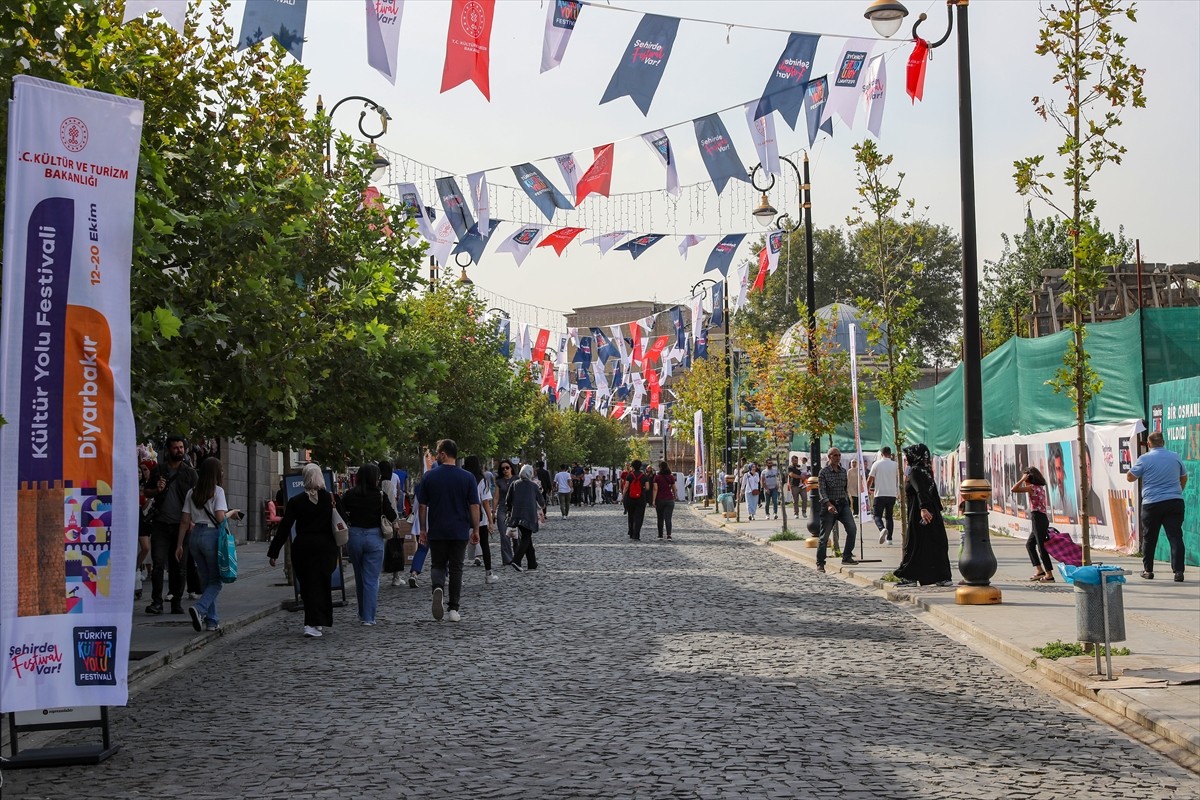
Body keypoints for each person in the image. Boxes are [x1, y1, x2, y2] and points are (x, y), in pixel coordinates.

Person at [269, 463, 339, 638]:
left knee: (308, 585)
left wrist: (273, 551)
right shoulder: (331, 498)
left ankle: (312, 623)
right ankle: (317, 622)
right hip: (325, 547)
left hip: (303, 547)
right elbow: (342, 521)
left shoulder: (296, 501)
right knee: (322, 584)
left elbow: (285, 527)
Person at [416, 439, 480, 622]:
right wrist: (475, 529)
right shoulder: (468, 477)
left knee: (437, 564)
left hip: (437, 529)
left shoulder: (429, 476)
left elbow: (422, 506)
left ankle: (438, 587)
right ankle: (454, 609)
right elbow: (474, 506)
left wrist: (422, 529)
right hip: (459, 530)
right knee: (456, 568)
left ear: (443, 454)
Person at [175, 456, 242, 632]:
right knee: (217, 581)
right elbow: (220, 518)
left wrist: (179, 545)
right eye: (220, 470)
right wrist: (232, 512)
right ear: (215, 473)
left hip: (195, 536)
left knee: (207, 580)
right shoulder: (217, 491)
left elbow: (184, 520)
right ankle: (200, 609)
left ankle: (211, 621)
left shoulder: (192, 492)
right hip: (212, 536)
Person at [143, 435, 198, 616]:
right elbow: (147, 492)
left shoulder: (189, 473)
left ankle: (176, 601)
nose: (179, 451)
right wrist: (156, 489)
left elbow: (198, 499)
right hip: (161, 523)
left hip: (182, 526)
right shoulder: (159, 470)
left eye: (181, 447)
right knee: (158, 562)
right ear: (168, 450)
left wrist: (193, 520)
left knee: (179, 566)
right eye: (176, 448)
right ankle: (156, 602)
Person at [338, 463, 397, 625]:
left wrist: (349, 521)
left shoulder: (350, 494)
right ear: (374, 478)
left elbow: (339, 510)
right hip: (374, 537)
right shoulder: (380, 495)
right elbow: (391, 514)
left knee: (360, 577)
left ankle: (362, 612)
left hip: (355, 536)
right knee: (371, 579)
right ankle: (368, 618)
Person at [1128, 431, 1188, 582]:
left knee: (1149, 537)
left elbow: (1130, 477)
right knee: (1175, 536)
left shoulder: (1145, 458)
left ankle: (1148, 570)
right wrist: (1178, 490)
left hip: (1152, 503)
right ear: (1163, 442)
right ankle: (1178, 571)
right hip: (1174, 501)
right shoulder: (1175, 456)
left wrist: (1133, 470)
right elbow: (1184, 476)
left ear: (1149, 444)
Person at [893, 444, 953, 587]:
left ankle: (910, 577)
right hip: (933, 514)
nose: (907, 460)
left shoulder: (915, 471)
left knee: (915, 544)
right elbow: (933, 492)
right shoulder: (927, 470)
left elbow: (921, 491)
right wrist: (935, 509)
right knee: (934, 543)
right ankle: (942, 577)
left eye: (908, 457)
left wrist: (923, 508)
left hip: (919, 514)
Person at [816, 448, 859, 572]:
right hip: (829, 505)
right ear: (829, 456)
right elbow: (822, 491)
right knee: (824, 537)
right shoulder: (823, 472)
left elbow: (845, 488)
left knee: (852, 529)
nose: (838, 457)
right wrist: (828, 504)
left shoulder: (843, 471)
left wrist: (848, 501)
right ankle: (820, 563)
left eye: (839, 455)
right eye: (835, 455)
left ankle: (847, 556)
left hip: (843, 504)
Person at [1011, 466, 1053, 581]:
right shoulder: (1039, 487)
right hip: (1041, 518)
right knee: (1030, 545)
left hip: (1038, 518)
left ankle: (1049, 574)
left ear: (1029, 477)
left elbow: (1013, 489)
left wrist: (1022, 479)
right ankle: (1040, 570)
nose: (1024, 479)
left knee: (1041, 547)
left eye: (1025, 477)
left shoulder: (1032, 488)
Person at [463, 455, 499, 585]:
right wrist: (490, 521)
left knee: (459, 547)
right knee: (485, 545)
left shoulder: (462, 478)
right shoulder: (481, 479)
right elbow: (485, 502)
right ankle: (488, 573)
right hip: (480, 517)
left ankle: (455, 576)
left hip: (462, 516)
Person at [505, 465, 546, 571]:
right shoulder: (533, 486)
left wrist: (509, 510)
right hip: (529, 515)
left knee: (527, 538)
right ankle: (516, 560)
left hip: (517, 515)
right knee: (526, 538)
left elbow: (508, 500)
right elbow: (541, 501)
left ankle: (532, 563)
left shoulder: (514, 484)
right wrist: (542, 506)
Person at [868, 447, 900, 545]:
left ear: (881, 454)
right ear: (890, 454)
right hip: (891, 494)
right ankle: (889, 539)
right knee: (889, 517)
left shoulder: (876, 464)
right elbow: (899, 479)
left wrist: (867, 489)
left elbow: (870, 479)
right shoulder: (896, 465)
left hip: (879, 494)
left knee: (877, 516)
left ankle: (882, 529)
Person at [494, 459, 517, 567]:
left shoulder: (517, 479)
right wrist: (493, 511)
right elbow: (496, 497)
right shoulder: (499, 481)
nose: (505, 470)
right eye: (503, 469)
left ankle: (518, 557)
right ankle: (507, 559)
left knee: (517, 536)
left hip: (516, 509)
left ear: (511, 468)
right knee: (504, 535)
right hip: (503, 509)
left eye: (507, 467)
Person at [622, 459, 651, 540]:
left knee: (631, 515)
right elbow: (648, 487)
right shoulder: (644, 476)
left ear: (633, 466)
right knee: (639, 516)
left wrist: (623, 496)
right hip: (641, 498)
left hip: (630, 498)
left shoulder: (629, 475)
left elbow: (626, 487)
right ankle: (636, 534)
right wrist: (642, 489)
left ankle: (631, 532)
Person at [652, 460, 677, 540]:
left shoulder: (657, 477)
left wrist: (653, 500)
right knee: (668, 518)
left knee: (660, 518)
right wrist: (675, 496)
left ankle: (660, 535)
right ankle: (669, 535)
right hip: (669, 499)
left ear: (660, 468)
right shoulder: (671, 477)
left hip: (660, 499)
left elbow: (655, 489)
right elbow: (674, 488)